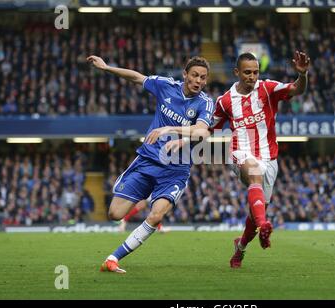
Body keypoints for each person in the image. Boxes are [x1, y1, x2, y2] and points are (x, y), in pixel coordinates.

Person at [165, 51, 310, 268]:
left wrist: (303, 74)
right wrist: (184, 141)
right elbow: (207, 129)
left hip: (269, 158)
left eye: (255, 72)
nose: (252, 76)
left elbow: (296, 89)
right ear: (237, 72)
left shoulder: (268, 89)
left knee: (253, 215)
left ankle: (241, 246)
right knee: (253, 173)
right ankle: (264, 224)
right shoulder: (225, 101)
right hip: (240, 153)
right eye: (247, 72)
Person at [87, 55, 213, 274]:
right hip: (147, 161)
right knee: (115, 214)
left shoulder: (205, 102)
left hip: (175, 170)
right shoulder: (165, 86)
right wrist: (107, 68)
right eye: (194, 75)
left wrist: (170, 130)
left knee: (156, 215)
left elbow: (202, 131)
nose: (199, 81)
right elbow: (137, 77)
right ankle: (137, 188)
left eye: (203, 77)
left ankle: (112, 259)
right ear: (185, 74)